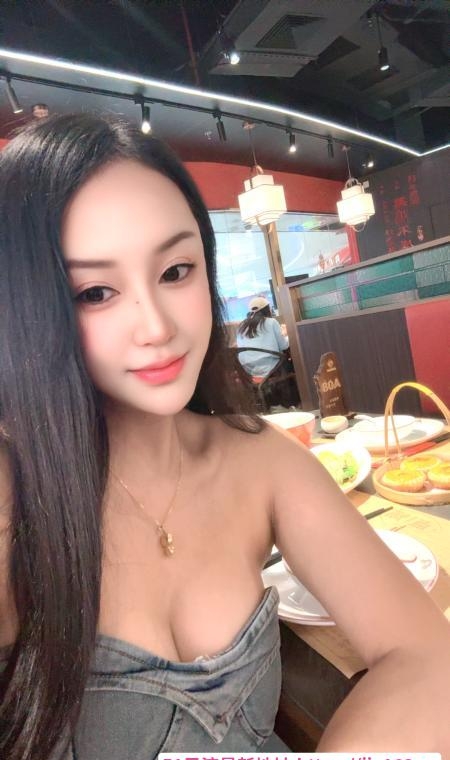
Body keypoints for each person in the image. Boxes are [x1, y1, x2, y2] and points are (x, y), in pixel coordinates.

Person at [0, 114, 450, 760]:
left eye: (175, 271)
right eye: (95, 292)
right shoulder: (16, 501)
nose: (157, 327)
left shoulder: (261, 462)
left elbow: (424, 652)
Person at [236, 296, 288, 377]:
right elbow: (284, 346)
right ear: (267, 309)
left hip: (248, 371)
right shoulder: (271, 322)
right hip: (271, 368)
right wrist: (288, 336)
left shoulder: (242, 325)